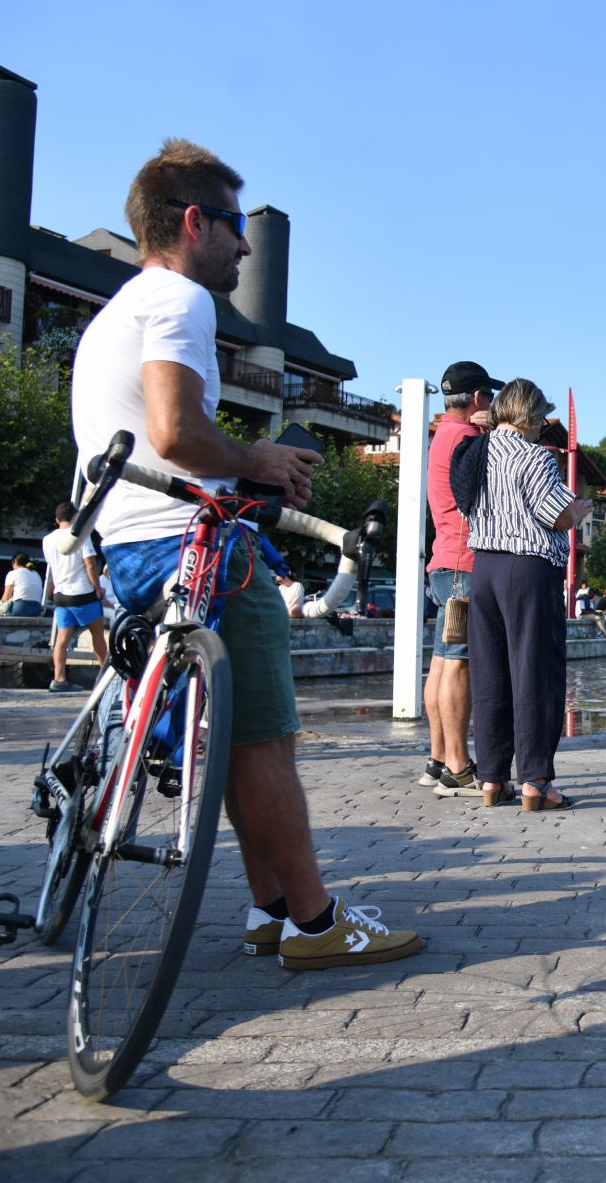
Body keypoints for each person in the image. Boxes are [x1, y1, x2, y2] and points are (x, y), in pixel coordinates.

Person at [69, 137, 419, 969]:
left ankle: (269, 911)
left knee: (228, 739)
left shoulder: (115, 311)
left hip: (128, 548)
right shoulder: (181, 302)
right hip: (190, 548)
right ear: (195, 222)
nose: (245, 244)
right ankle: (315, 920)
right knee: (265, 739)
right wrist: (257, 460)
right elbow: (175, 433)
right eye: (234, 225)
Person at [465, 378, 591, 811]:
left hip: (483, 567)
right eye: (540, 420)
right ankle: (536, 781)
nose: (542, 428)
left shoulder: (476, 452)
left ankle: (493, 778)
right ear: (531, 416)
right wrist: (579, 507)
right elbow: (554, 515)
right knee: (534, 672)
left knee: (490, 674)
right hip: (527, 567)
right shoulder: (533, 456)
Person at [422, 358, 501, 799]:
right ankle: (457, 766)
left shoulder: (444, 434)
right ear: (475, 399)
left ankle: (437, 759)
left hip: (444, 561)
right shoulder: (468, 438)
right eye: (489, 395)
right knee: (458, 665)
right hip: (462, 565)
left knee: (440, 662)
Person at [41, 502, 109, 692]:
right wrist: (97, 588)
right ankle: (105, 676)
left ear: (57, 519)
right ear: (76, 517)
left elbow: (53, 568)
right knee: (98, 635)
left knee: (62, 639)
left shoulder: (47, 540)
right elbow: (90, 565)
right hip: (82, 593)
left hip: (61, 594)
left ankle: (59, 679)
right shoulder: (80, 535)